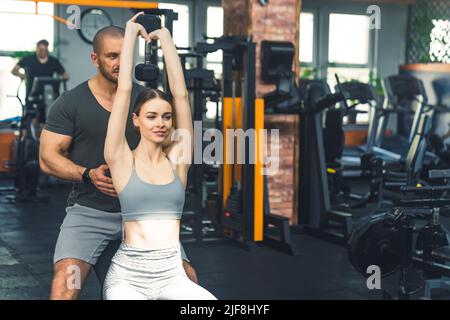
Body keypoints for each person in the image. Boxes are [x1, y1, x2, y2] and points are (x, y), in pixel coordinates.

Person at [39, 25, 197, 300]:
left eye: (125, 56)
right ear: (94, 58)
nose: (119, 63)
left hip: (144, 214)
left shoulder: (146, 102)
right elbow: (47, 158)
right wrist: (87, 174)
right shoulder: (70, 103)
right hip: (92, 211)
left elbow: (178, 104)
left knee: (188, 277)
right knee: (66, 281)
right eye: (112, 56)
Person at [102, 13, 216, 300]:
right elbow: (125, 89)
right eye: (151, 116)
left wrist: (166, 39)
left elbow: (181, 97)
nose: (161, 123)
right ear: (136, 120)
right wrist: (130, 34)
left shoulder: (178, 160)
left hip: (171, 273)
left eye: (166, 117)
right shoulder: (121, 158)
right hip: (128, 277)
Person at [11, 39, 69, 127]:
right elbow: (14, 70)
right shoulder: (29, 59)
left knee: (47, 118)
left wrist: (59, 79)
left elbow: (65, 76)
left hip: (48, 96)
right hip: (32, 94)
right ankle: (26, 136)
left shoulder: (53, 61)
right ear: (37, 49)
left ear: (47, 50)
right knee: (30, 117)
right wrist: (22, 76)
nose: (43, 52)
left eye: (44, 50)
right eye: (40, 49)